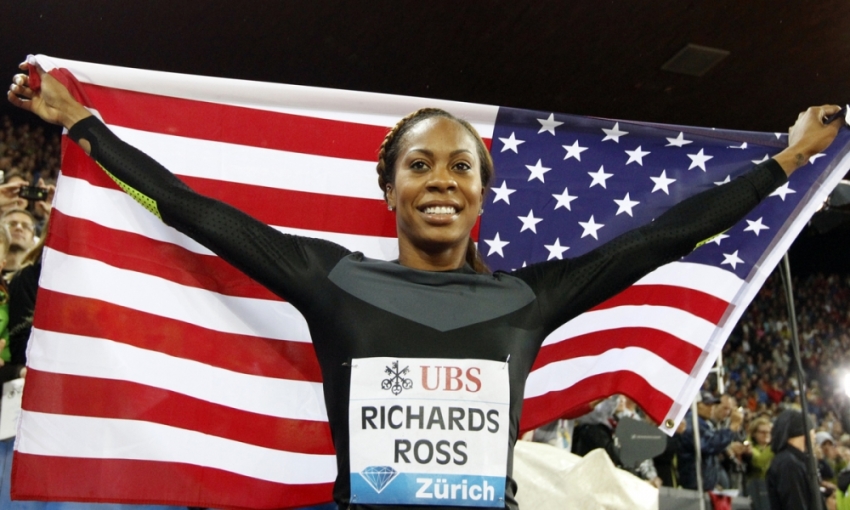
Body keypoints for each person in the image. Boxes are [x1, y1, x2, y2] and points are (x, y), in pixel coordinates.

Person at [7, 60, 842, 510]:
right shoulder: (328, 278)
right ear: (390, 188)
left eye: (460, 167)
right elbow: (195, 213)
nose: (441, 181)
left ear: (481, 194)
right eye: (420, 165)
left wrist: (789, 160)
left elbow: (669, 233)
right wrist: (84, 126)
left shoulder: (532, 297)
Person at [768, 409, 823, 510]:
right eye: (812, 431)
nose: (814, 436)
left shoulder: (792, 460)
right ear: (803, 432)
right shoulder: (789, 463)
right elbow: (795, 504)